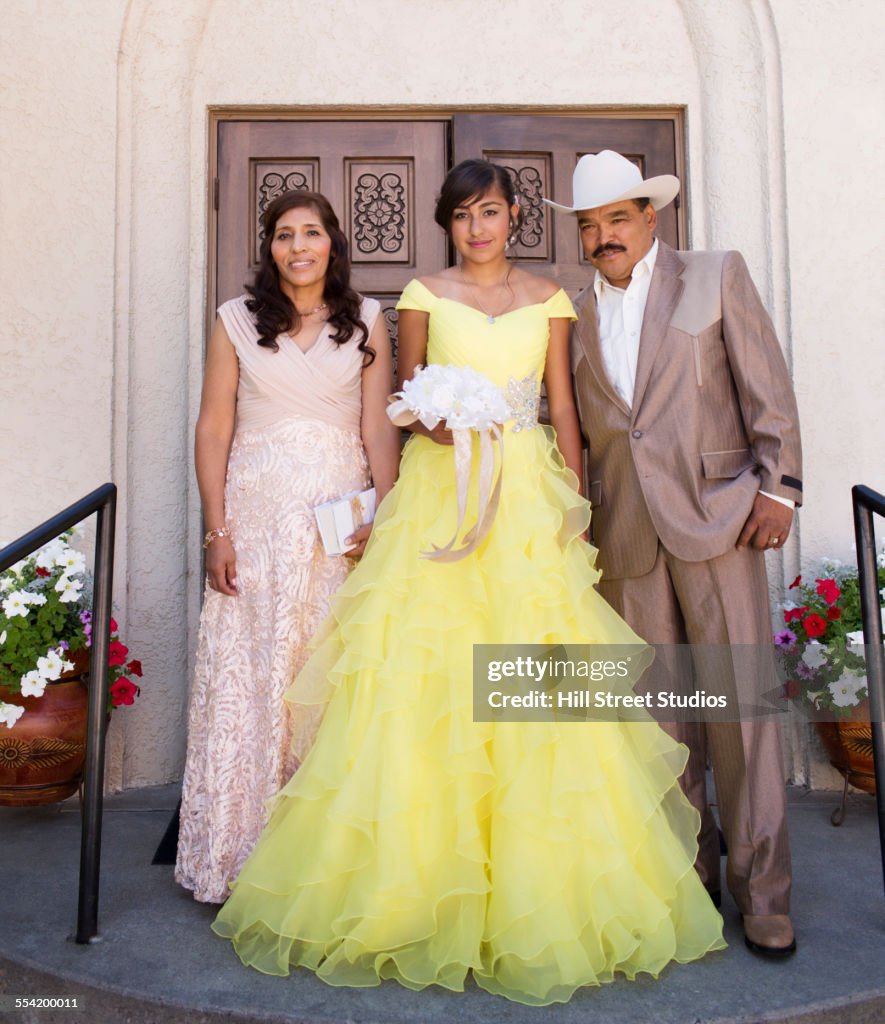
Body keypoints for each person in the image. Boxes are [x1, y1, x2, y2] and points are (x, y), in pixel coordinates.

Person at [211, 160, 725, 1004]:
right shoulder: (420, 295)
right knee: (424, 680)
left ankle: (545, 888)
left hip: (524, 500)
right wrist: (438, 425)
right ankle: (409, 890)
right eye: (461, 216)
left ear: (513, 216)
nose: (475, 228)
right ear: (448, 225)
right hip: (440, 500)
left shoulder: (551, 299)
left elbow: (561, 404)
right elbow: (401, 400)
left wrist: (578, 503)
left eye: (488, 212)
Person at [543, 150, 802, 958]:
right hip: (625, 536)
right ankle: (683, 881)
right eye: (588, 226)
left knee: (740, 719)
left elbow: (766, 383)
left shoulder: (713, 274)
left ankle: (762, 894)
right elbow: (575, 427)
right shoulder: (572, 313)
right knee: (659, 726)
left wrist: (780, 486)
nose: (602, 237)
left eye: (616, 219)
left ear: (649, 218)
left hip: (720, 519)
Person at [175, 190, 399, 903]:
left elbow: (378, 432)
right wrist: (217, 529)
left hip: (336, 531)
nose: (297, 246)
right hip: (255, 523)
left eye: (310, 232)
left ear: (332, 242)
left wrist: (386, 518)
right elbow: (214, 430)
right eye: (282, 235)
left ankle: (320, 867)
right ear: (268, 248)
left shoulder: (366, 322)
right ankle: (239, 858)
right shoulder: (235, 323)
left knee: (328, 684)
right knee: (252, 681)